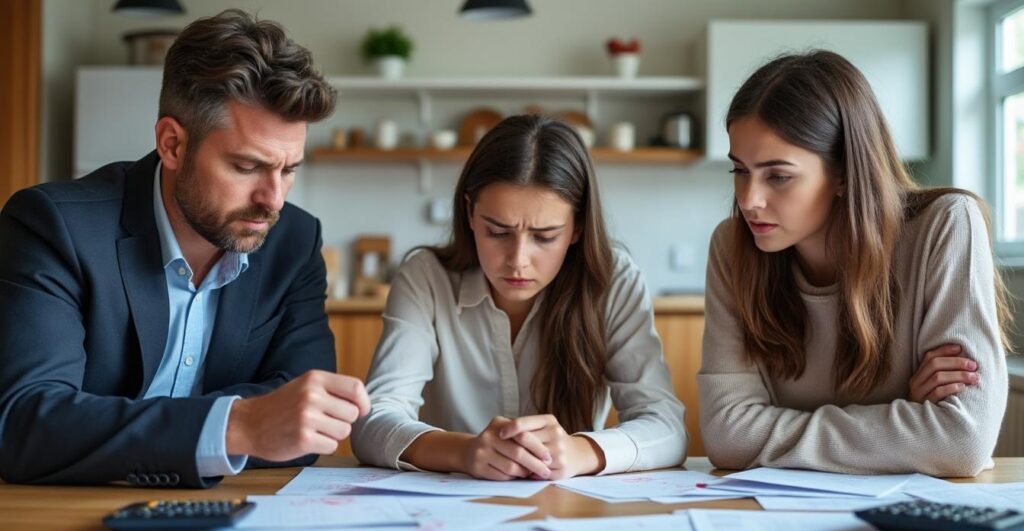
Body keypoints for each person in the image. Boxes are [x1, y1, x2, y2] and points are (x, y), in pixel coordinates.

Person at [0, 10, 369, 488]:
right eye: (246, 166)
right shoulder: (54, 225)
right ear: (172, 144)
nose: (273, 199)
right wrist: (240, 425)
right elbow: (25, 423)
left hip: (231, 514)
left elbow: (303, 420)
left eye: (289, 169)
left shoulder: (294, 241)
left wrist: (104, 426)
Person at [699, 50, 1010, 477]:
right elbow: (726, 437)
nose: (749, 200)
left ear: (844, 171)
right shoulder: (731, 249)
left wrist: (769, 433)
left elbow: (962, 439)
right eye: (739, 171)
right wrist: (905, 417)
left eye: (778, 176)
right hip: (777, 517)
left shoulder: (946, 224)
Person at [350, 115, 686, 480]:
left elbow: (667, 428)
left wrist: (581, 451)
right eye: (497, 232)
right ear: (469, 214)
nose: (518, 260)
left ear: (576, 227)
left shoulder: (613, 279)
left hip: (567, 506)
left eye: (544, 237)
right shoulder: (426, 276)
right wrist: (463, 452)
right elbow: (373, 422)